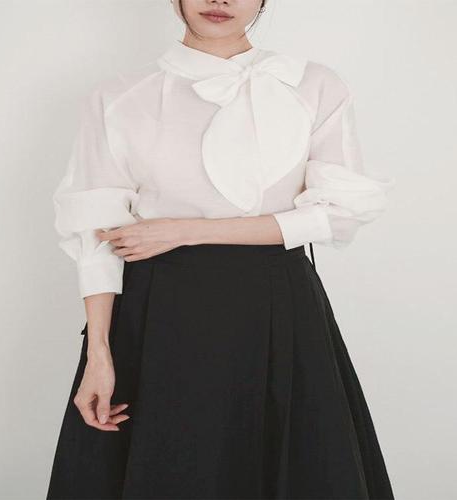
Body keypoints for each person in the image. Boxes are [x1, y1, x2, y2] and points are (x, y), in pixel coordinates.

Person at [46, 0, 396, 499]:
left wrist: (184, 231)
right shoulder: (119, 96)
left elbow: (336, 214)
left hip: (277, 306)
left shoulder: (313, 85)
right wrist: (98, 353)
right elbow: (95, 235)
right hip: (159, 314)